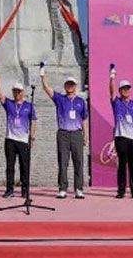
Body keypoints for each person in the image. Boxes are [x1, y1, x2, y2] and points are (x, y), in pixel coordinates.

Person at [41, 67, 88, 199]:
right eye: (68, 84)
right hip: (63, 134)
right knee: (63, 162)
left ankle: (79, 189)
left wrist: (86, 135)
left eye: (72, 84)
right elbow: (46, 88)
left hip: (77, 134)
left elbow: (84, 119)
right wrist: (42, 75)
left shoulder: (80, 101)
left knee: (78, 162)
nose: (70, 86)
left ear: (75, 86)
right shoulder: (60, 99)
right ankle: (62, 189)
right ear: (65, 86)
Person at [0, 71, 37, 199]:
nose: (17, 93)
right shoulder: (9, 104)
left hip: (23, 140)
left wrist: (32, 137)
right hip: (10, 140)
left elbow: (33, 121)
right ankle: (9, 190)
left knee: (24, 166)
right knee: (10, 166)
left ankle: (25, 190)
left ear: (23, 92)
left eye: (19, 91)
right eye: (15, 91)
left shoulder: (29, 106)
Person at [108, 66, 133, 199]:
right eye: (123, 88)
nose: (126, 90)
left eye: (128, 88)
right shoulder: (116, 102)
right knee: (122, 165)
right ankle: (121, 191)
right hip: (121, 137)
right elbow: (111, 90)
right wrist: (112, 76)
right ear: (120, 91)